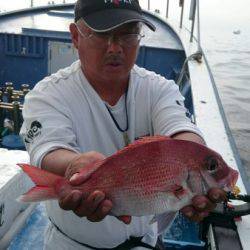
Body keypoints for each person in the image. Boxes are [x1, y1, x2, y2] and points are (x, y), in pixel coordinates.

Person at [20, 0, 226, 249]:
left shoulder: (159, 88)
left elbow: (180, 128)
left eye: (128, 33)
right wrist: (75, 166)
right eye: (102, 33)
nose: (115, 47)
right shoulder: (48, 95)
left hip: (147, 242)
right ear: (76, 36)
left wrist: (197, 163)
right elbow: (48, 148)